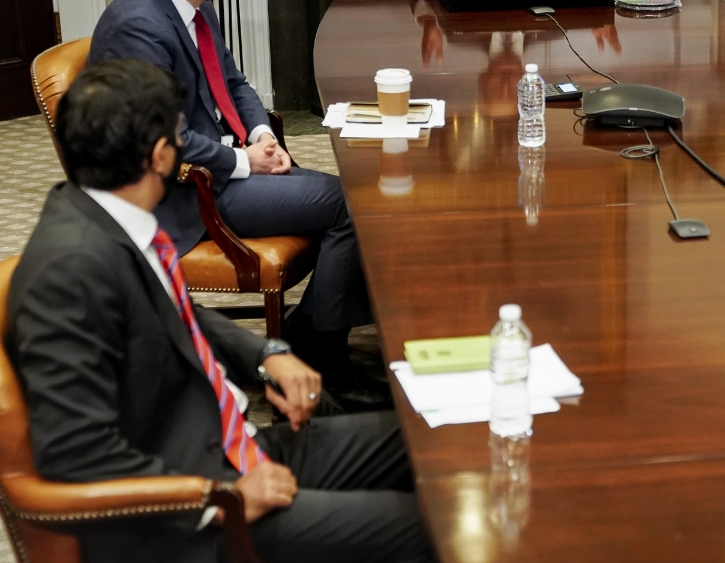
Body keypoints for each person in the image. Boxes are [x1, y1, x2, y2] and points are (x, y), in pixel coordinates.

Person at [5, 58, 433, 563]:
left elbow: (178, 315)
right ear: (160, 156)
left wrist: (266, 355)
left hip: (233, 447)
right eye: (180, 134)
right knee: (431, 526)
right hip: (196, 512)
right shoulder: (69, 274)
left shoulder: (113, 218)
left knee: (435, 440)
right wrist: (218, 500)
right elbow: (77, 455)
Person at [87, 0, 387, 411]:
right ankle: (323, 357)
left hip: (223, 162)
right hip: (181, 192)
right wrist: (247, 161)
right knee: (347, 203)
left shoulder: (192, 4)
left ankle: (307, 336)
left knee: (350, 196)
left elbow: (233, 81)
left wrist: (259, 134)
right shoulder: (138, 26)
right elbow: (166, 139)